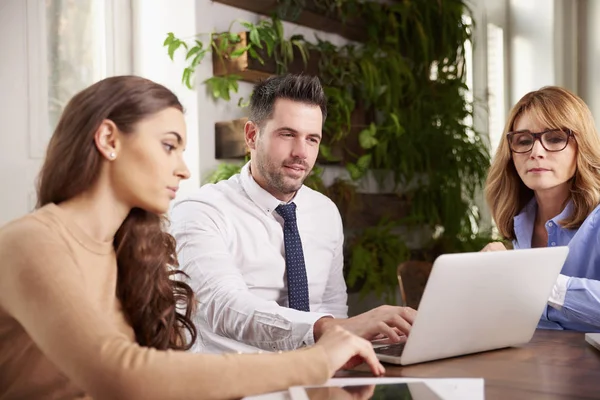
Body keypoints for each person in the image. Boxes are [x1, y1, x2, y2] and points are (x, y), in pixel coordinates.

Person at [0, 76, 386, 400]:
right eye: (169, 146)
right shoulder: (30, 243)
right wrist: (319, 357)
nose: (184, 170)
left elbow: (167, 364)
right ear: (109, 139)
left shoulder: (125, 249)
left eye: (182, 150)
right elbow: (123, 374)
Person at [170, 73, 416, 354]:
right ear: (252, 136)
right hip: (235, 387)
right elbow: (225, 305)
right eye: (287, 134)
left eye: (312, 139)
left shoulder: (324, 211)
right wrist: (328, 329)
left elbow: (332, 305)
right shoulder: (201, 210)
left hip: (314, 377)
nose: (301, 152)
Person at [483, 86, 600, 332]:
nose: (536, 152)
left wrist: (529, 278)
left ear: (583, 146)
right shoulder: (521, 221)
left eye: (555, 138)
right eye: (524, 141)